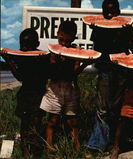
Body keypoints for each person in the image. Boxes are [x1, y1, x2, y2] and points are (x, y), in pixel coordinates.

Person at [40, 20, 91, 152]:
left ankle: (76, 148)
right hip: (55, 88)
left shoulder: (76, 52)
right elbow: (52, 74)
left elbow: (74, 74)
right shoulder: (53, 52)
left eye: (67, 41)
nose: (63, 44)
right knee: (53, 120)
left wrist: (84, 64)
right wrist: (57, 60)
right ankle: (48, 147)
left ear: (73, 38)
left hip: (71, 88)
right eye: (61, 40)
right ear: (57, 34)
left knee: (72, 121)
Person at [0, 28, 49, 158]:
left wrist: (41, 62)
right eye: (22, 44)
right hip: (25, 95)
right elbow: (20, 77)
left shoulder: (43, 57)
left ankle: (35, 150)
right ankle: (25, 150)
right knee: (25, 123)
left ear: (37, 44)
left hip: (39, 95)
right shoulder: (21, 57)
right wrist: (9, 60)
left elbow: (46, 75)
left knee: (36, 123)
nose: (24, 47)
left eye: (28, 44)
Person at [86, 0, 124, 152]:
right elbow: (97, 48)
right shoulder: (98, 28)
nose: (109, 14)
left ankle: (114, 142)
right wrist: (98, 29)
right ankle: (97, 144)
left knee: (117, 108)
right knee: (102, 108)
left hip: (121, 71)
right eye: (106, 11)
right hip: (105, 70)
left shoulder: (124, 28)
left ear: (118, 12)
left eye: (112, 11)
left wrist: (121, 31)